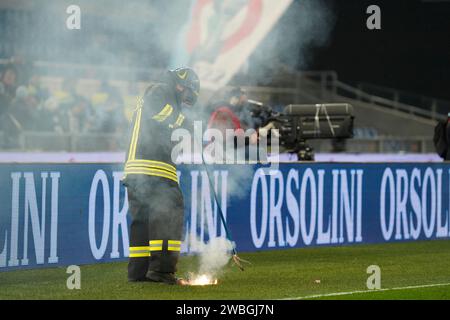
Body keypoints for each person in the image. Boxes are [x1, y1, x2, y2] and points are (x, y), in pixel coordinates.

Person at [122, 67, 200, 284]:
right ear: (182, 85)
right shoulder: (160, 91)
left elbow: (164, 129)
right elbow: (162, 113)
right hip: (154, 167)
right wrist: (189, 126)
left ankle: (139, 272)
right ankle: (162, 271)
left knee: (142, 221)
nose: (187, 102)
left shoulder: (158, 94)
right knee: (169, 213)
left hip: (136, 169)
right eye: (189, 95)